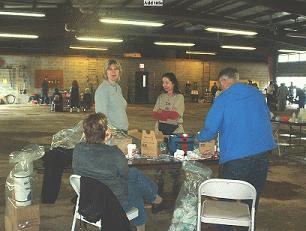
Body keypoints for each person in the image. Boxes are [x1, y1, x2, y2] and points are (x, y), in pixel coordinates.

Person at [197, 67, 276, 231]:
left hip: (236, 159)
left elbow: (211, 128)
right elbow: (267, 117)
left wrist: (199, 138)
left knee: (226, 202)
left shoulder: (224, 98)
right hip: (262, 156)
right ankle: (247, 227)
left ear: (224, 81)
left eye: (221, 83)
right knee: (251, 198)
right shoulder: (257, 94)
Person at [73, 113, 162, 231]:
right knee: (135, 185)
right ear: (105, 132)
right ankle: (154, 198)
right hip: (113, 202)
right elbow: (125, 173)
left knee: (134, 175)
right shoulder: (113, 152)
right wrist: (109, 143)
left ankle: (154, 197)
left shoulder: (78, 149)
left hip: (88, 200)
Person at [95, 59, 128, 132]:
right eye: (110, 69)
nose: (113, 72)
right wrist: (110, 132)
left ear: (119, 71)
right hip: (113, 133)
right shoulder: (103, 89)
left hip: (122, 130)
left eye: (116, 69)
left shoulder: (118, 87)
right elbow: (101, 116)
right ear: (105, 72)